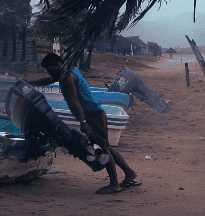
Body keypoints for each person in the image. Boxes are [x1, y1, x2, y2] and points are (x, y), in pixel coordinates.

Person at [27, 53, 140, 194]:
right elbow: (48, 79)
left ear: (56, 64)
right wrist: (28, 83)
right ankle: (129, 173)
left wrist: (83, 122)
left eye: (49, 69)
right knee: (106, 147)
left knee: (103, 149)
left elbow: (75, 102)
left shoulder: (66, 78)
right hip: (96, 112)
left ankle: (114, 185)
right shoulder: (69, 70)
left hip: (91, 116)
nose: (49, 72)